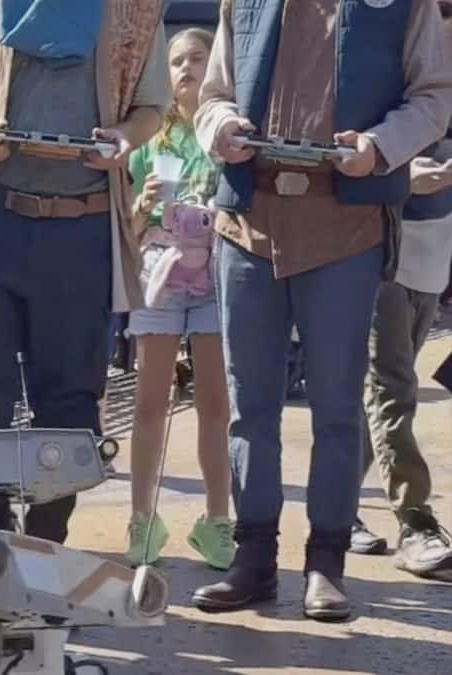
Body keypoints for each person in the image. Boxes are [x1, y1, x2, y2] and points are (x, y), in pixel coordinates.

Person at [191, 0, 452, 622]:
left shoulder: (402, 6)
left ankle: (325, 564)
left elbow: (434, 96)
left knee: (337, 409)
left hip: (346, 231)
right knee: (249, 406)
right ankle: (253, 561)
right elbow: (212, 95)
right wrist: (220, 128)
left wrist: (378, 146)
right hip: (247, 227)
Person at [0, 0, 170, 543]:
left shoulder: (132, 12)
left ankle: (45, 545)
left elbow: (151, 106)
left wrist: (124, 138)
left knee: (68, 403)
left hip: (82, 233)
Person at [348, 0, 452, 574]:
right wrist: (400, 169)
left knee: (385, 388)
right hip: (382, 237)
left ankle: (338, 509)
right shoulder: (391, 32)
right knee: (391, 386)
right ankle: (416, 521)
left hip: (436, 243)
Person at [124, 28, 233, 570]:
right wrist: (143, 205)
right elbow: (129, 224)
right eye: (176, 61)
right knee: (150, 401)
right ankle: (142, 519)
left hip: (215, 276)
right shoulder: (150, 141)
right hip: (160, 275)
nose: (186, 68)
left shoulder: (225, 133)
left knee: (216, 402)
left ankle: (217, 521)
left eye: (197, 58)